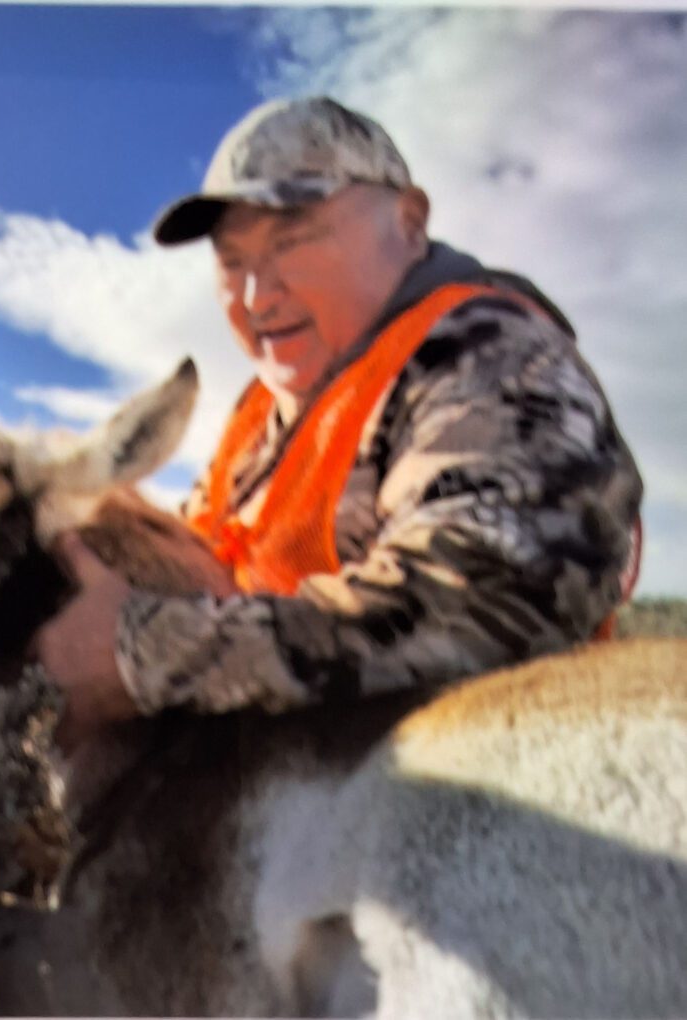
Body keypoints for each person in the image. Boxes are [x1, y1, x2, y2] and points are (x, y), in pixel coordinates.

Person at [34, 96, 643, 747]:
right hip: (288, 790)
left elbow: (485, 599)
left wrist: (147, 654)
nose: (255, 297)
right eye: (231, 262)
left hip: (472, 795)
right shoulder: (261, 412)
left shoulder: (487, 350)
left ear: (409, 223)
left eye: (292, 241)